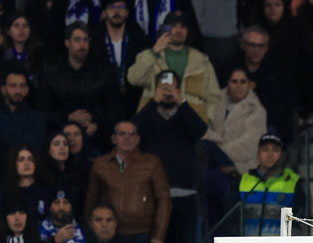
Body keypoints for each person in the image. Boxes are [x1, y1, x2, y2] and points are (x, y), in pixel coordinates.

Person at [134, 69, 208, 243]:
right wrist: (152, 101)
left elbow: (200, 130)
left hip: (184, 193)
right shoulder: (149, 115)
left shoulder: (185, 114)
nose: (167, 92)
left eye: (171, 87)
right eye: (162, 87)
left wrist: (181, 102)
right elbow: (134, 133)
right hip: (154, 196)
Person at [85, 119, 172, 243]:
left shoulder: (151, 163)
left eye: (132, 134)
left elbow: (164, 200)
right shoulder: (100, 164)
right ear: (114, 139)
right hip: (108, 233)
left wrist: (158, 234)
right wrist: (89, 233)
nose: (127, 138)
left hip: (142, 234)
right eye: (122, 134)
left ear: (137, 139)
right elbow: (91, 199)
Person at [126, 10, 223, 124]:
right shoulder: (150, 56)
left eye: (183, 27)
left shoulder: (202, 60)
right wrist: (154, 52)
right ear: (165, 30)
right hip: (155, 122)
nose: (178, 31)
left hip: (190, 124)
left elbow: (214, 98)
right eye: (173, 26)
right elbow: (134, 79)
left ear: (188, 31)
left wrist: (205, 120)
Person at [36, 22, 118, 152]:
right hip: (60, 138)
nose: (82, 45)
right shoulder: (51, 72)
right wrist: (67, 118)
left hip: (97, 139)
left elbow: (114, 109)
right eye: (77, 40)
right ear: (67, 43)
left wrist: (97, 125)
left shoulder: (103, 71)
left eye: (86, 40)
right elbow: (41, 112)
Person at [92, 0, 153, 129]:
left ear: (128, 11)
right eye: (112, 7)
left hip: (134, 104)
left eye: (121, 7)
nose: (116, 11)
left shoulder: (139, 39)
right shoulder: (93, 39)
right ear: (104, 11)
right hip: (103, 108)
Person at [205, 67, 268, 176]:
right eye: (234, 81)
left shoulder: (257, 111)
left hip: (241, 168)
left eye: (243, 82)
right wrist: (215, 145)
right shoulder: (214, 103)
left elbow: (250, 145)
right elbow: (205, 130)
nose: (239, 85)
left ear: (249, 84)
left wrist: (221, 149)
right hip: (211, 159)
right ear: (228, 84)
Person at [239, 133, 304, 236]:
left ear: (282, 154)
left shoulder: (294, 181)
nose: (270, 154)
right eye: (265, 149)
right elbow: (232, 222)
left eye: (275, 150)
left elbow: (301, 223)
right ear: (258, 154)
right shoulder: (243, 180)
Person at [0, 69, 47, 153]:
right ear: (3, 89)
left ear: (27, 90)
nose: (18, 91)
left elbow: (31, 149)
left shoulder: (36, 118)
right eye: (13, 86)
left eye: (22, 86)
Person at [45, 131, 88, 212]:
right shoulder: (42, 176)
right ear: (48, 150)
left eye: (65, 144)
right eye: (57, 144)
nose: (62, 147)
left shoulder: (78, 173)